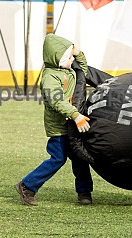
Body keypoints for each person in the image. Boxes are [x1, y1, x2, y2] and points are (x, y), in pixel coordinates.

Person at [15, 33, 93, 206]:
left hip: (71, 125)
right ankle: (27, 186)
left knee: (80, 158)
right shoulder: (50, 77)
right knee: (58, 158)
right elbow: (56, 100)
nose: (71, 59)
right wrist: (76, 115)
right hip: (60, 127)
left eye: (71, 56)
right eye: (68, 56)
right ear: (56, 58)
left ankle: (84, 192)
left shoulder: (69, 70)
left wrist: (78, 53)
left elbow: (83, 67)